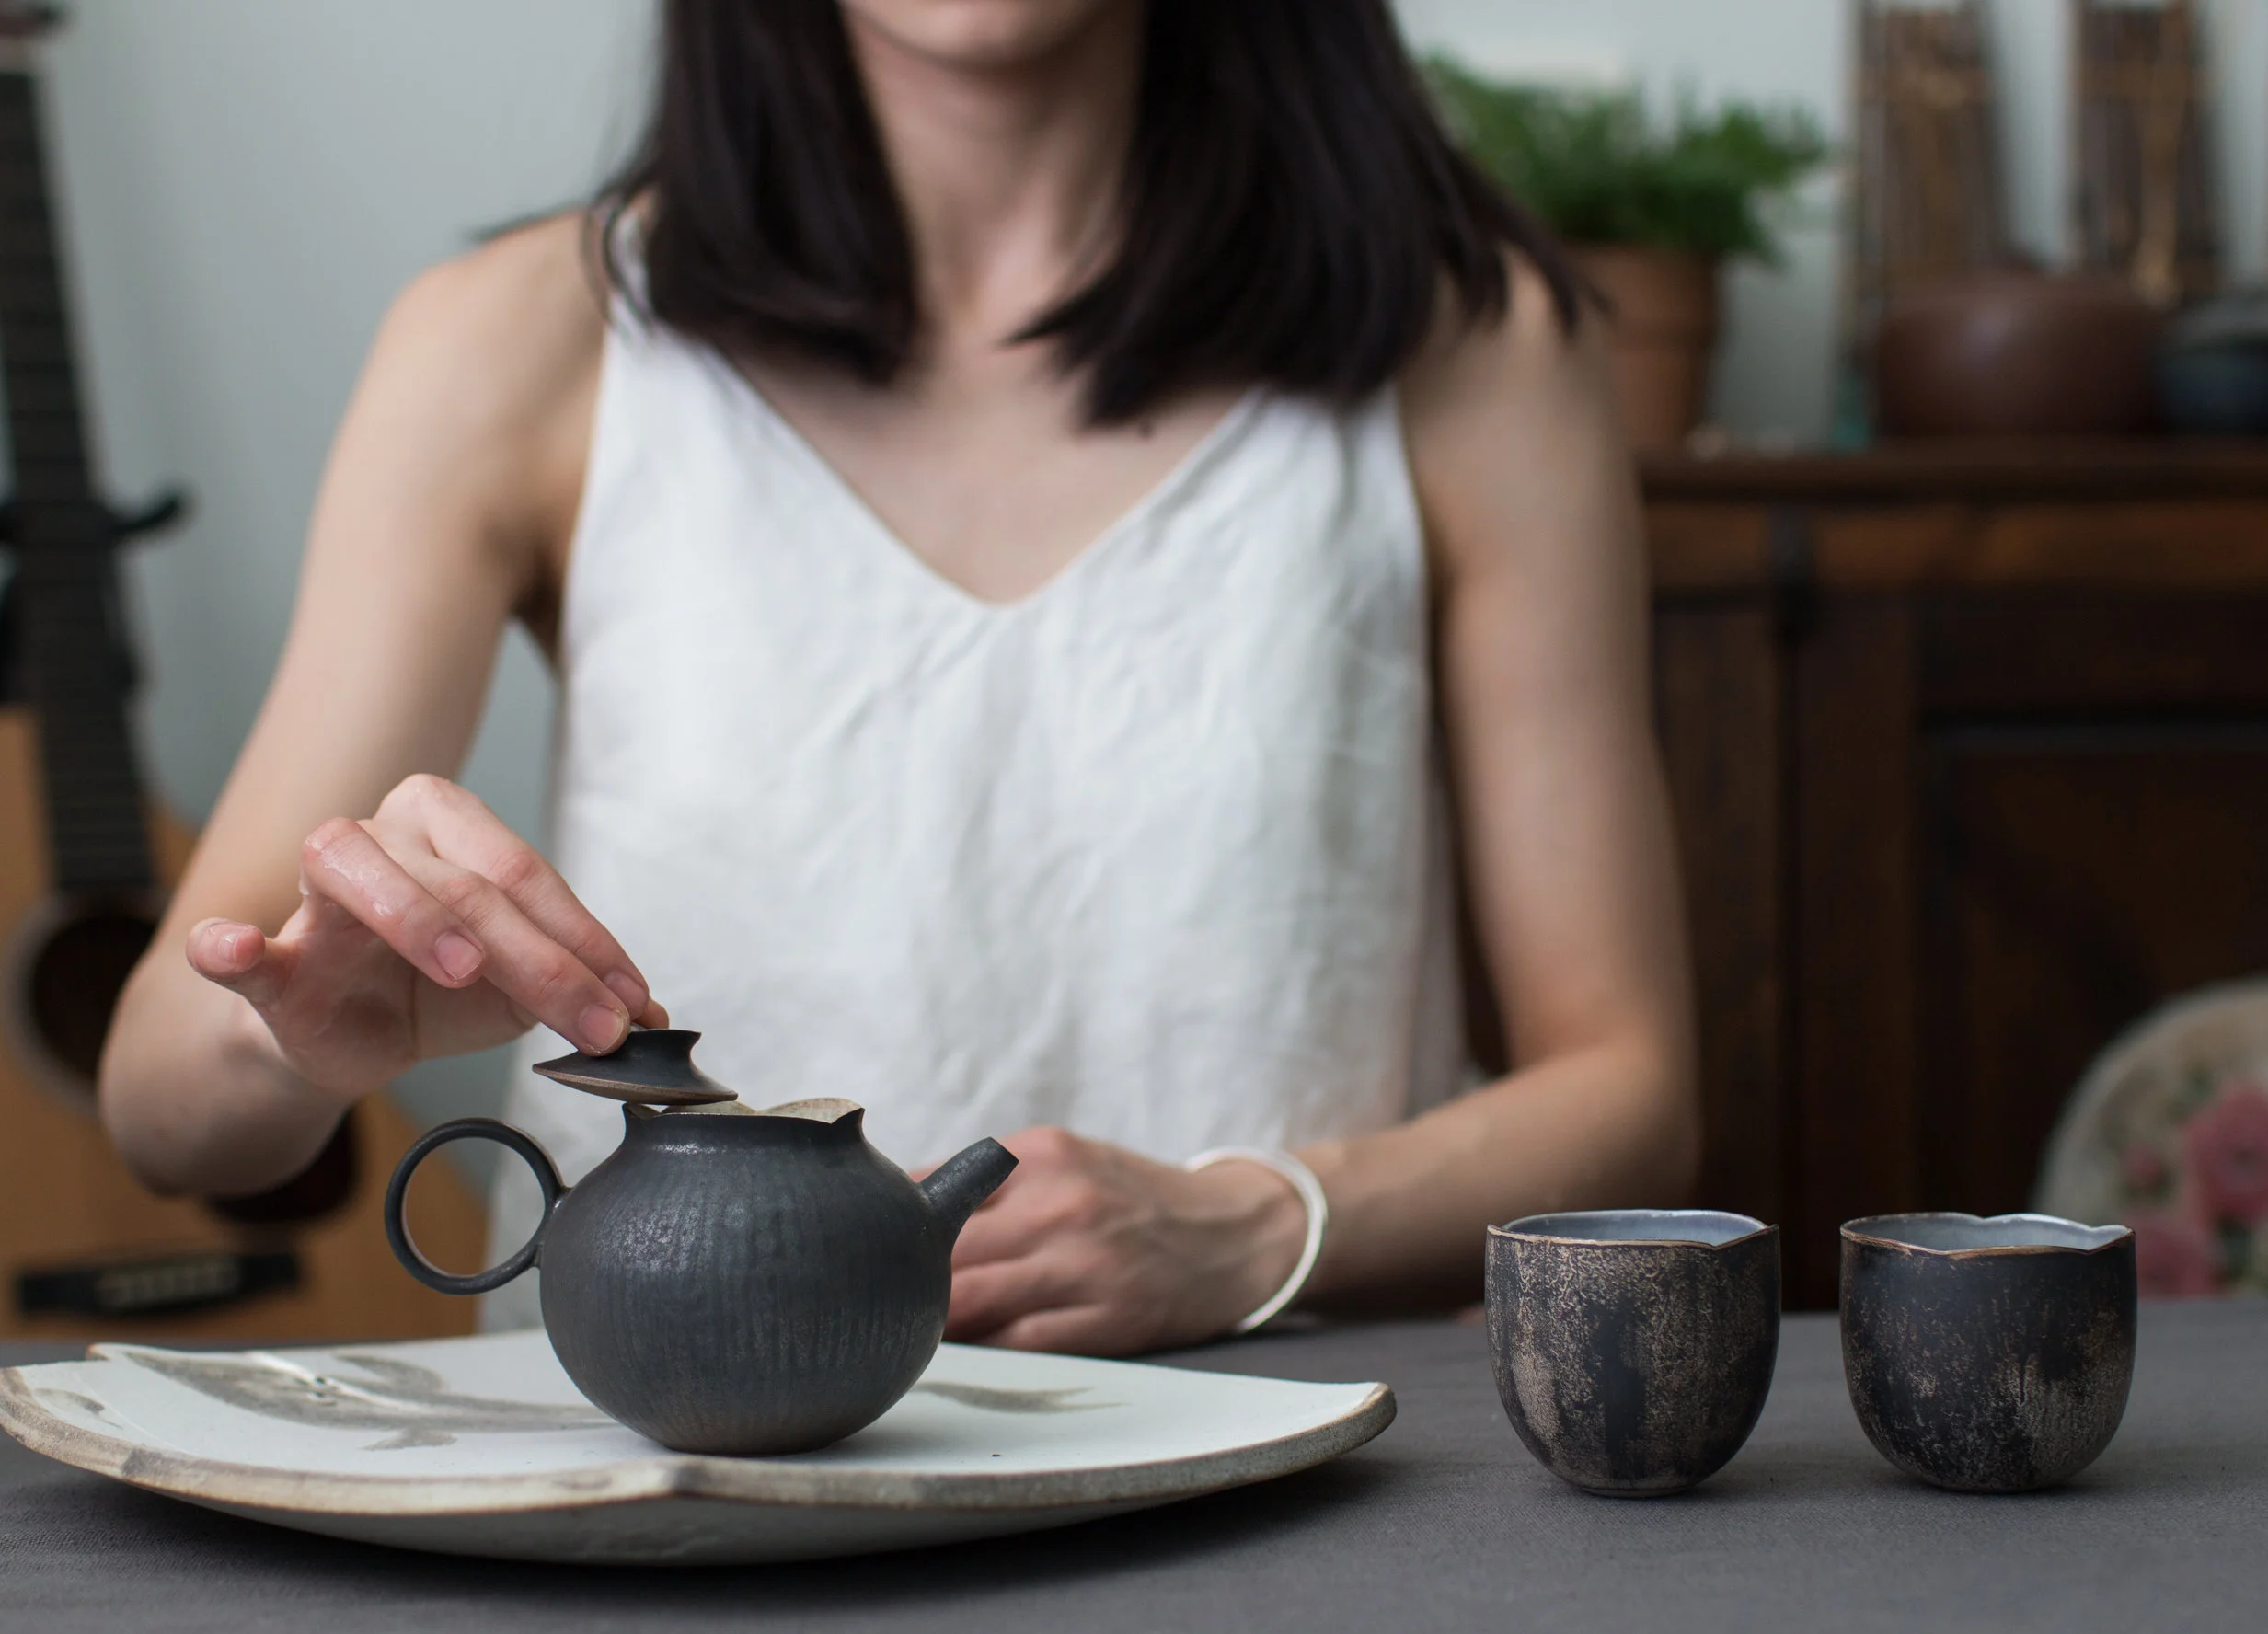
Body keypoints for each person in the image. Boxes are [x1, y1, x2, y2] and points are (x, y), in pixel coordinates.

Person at [98, 0, 1697, 1354]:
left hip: (1278, 1477)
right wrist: (289, 1026)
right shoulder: (515, 344)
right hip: (660, 1518)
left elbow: (1630, 1093)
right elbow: (162, 1105)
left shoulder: (1475, 349)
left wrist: (1257, 1218)